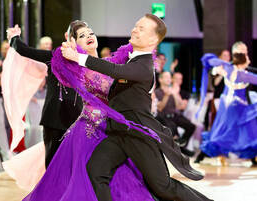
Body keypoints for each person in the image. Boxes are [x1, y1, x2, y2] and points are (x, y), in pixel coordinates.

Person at [62, 14, 212, 201]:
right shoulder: (132, 61)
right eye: (136, 26)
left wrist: (78, 57)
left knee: (163, 187)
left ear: (153, 39)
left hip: (139, 133)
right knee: (96, 170)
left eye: (141, 28)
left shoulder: (144, 65)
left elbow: (116, 71)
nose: (134, 29)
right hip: (119, 132)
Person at [6, 20, 160, 201]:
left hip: (111, 129)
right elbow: (30, 52)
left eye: (91, 33)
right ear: (74, 44)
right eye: (82, 35)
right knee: (81, 176)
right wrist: (15, 38)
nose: (88, 36)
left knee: (118, 174)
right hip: (87, 130)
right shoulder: (76, 67)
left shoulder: (112, 63)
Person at [7, 27, 83, 168]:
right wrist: (14, 37)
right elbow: (25, 51)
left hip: (77, 120)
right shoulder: (55, 56)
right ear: (68, 36)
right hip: (54, 118)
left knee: (73, 164)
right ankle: (50, 189)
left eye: (85, 36)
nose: (81, 40)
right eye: (79, 35)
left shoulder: (87, 61)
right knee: (52, 163)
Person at [195, 42, 257, 165]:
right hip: (233, 107)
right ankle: (204, 154)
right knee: (234, 131)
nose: (246, 54)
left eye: (246, 51)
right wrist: (215, 69)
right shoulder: (240, 73)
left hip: (236, 106)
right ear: (237, 54)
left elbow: (212, 65)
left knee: (244, 130)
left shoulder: (229, 68)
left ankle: (252, 157)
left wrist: (215, 68)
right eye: (242, 52)